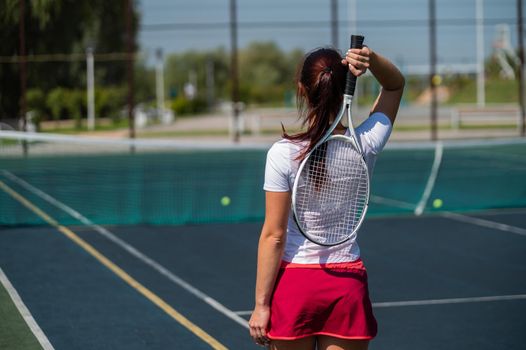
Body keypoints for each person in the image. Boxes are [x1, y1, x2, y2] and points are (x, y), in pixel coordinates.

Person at [248, 44, 405, 350]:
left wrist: (261, 305)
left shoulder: (283, 153)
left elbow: (274, 236)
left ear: (302, 90)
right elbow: (395, 84)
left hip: (296, 285)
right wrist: (370, 59)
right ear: (346, 87)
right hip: (346, 285)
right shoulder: (367, 142)